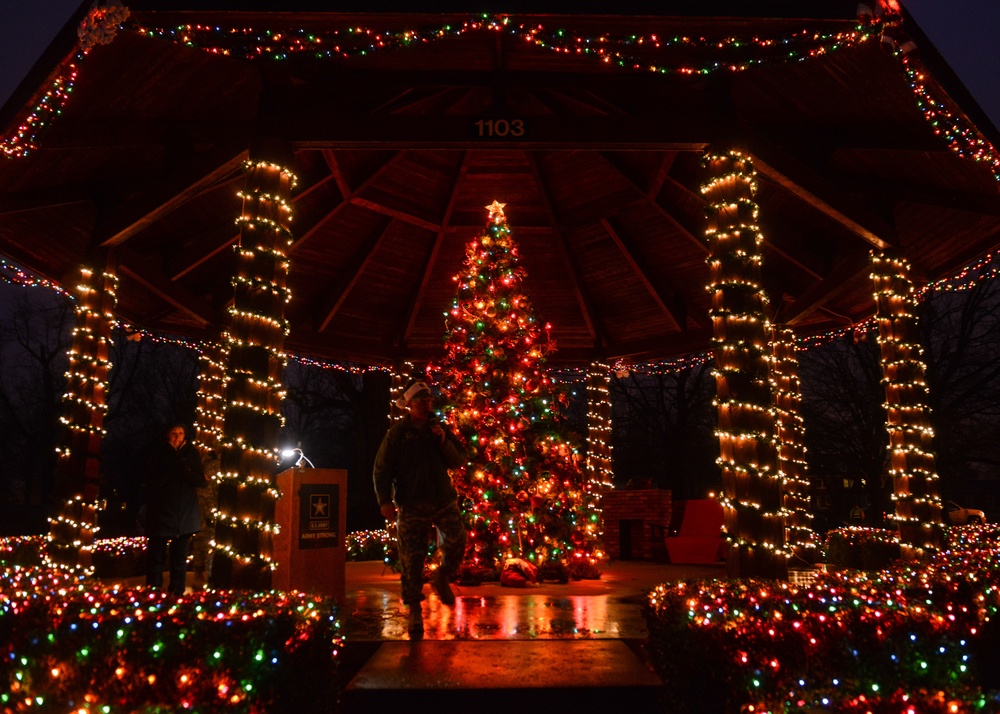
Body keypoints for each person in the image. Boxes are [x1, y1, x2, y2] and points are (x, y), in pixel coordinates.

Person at [373, 379, 467, 639]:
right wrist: (384, 501)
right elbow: (381, 470)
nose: (428, 403)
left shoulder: (439, 429)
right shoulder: (398, 434)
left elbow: (458, 460)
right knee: (412, 558)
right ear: (411, 405)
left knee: (458, 539)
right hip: (412, 502)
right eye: (423, 400)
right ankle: (414, 608)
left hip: (442, 499)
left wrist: (443, 441)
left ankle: (442, 576)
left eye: (429, 400)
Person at [144, 423, 207, 596]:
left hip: (184, 513)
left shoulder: (191, 453)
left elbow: (199, 479)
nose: (177, 437)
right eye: (174, 433)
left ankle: (177, 591)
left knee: (179, 558)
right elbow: (152, 478)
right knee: (156, 558)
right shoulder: (159, 452)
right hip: (161, 511)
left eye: (181, 433)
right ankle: (153, 591)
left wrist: (181, 463)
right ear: (167, 435)